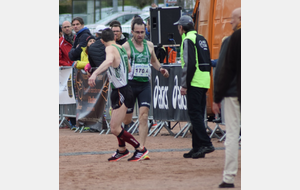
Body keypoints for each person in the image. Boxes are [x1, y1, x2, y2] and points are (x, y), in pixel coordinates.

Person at [88, 28, 149, 162]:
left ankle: (140, 149)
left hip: (122, 90)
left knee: (115, 128)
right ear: (114, 38)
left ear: (102, 41)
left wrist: (95, 73)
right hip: (120, 89)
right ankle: (122, 149)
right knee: (116, 125)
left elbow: (109, 61)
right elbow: (128, 67)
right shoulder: (121, 47)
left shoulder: (109, 49)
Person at [122, 17, 169, 155]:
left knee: (143, 116)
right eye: (137, 32)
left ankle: (141, 148)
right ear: (132, 32)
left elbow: (154, 61)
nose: (140, 35)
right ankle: (123, 145)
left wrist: (161, 69)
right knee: (127, 119)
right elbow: (121, 64)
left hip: (144, 85)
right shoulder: (126, 46)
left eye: (142, 32)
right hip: (130, 86)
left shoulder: (149, 45)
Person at [174, 15, 215, 159]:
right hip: (204, 80)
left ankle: (205, 143)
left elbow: (189, 64)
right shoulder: (201, 38)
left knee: (194, 114)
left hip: (194, 81)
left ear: (181, 28)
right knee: (198, 114)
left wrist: (185, 85)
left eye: (178, 26)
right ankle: (197, 147)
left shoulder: (187, 40)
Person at [212, 7, 241, 188]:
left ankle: (229, 177)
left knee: (232, 134)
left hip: (234, 93)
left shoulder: (233, 39)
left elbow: (225, 69)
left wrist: (217, 96)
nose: (230, 22)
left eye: (233, 19)